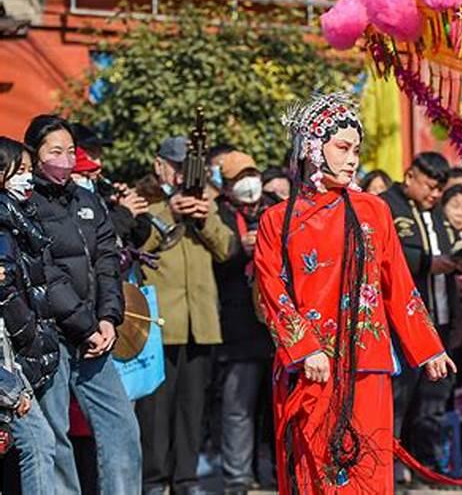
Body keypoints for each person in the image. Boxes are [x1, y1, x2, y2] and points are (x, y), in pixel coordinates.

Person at [254, 93, 455, 494]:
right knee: (316, 465)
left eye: (356, 150)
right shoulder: (278, 219)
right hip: (312, 365)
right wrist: (305, 348)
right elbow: (271, 290)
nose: (351, 159)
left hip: (368, 358)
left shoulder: (373, 211)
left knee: (368, 464)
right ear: (312, 148)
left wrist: (427, 347)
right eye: (342, 148)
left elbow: (397, 282)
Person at [24, 115, 141, 495]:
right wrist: (84, 325)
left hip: (96, 334)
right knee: (55, 435)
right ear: (35, 154)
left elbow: (107, 260)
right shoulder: (27, 205)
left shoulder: (87, 199)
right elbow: (45, 272)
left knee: (122, 427)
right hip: (51, 336)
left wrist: (108, 318)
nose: (65, 159)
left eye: (70, 151)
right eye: (55, 151)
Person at [136, 136, 235, 495]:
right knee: (156, 412)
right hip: (162, 321)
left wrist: (205, 217)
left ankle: (186, 479)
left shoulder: (205, 200)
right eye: (175, 166)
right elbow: (134, 246)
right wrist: (169, 214)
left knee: (192, 409)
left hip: (200, 321)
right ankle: (153, 479)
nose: (181, 174)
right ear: (159, 164)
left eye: (187, 167)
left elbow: (227, 249)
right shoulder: (143, 198)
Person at [380, 152, 462, 481]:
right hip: (401, 323)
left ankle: (427, 466)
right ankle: (389, 465)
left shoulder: (437, 212)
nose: (434, 195)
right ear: (410, 175)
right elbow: (392, 256)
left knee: (435, 396)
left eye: (439, 190)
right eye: (430, 187)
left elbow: (453, 244)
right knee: (399, 397)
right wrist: (430, 263)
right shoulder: (386, 205)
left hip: (441, 320)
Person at [212, 150, 276, 493]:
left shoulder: (277, 206)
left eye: (251, 173)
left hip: (277, 323)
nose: (248, 183)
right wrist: (240, 248)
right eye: (238, 178)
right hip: (237, 322)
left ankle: (283, 472)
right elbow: (214, 263)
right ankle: (237, 477)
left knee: (279, 406)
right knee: (239, 406)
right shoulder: (218, 214)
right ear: (226, 186)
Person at [0, 137, 61, 495]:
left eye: (28, 170)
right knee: (38, 440)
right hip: (10, 360)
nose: (27, 178)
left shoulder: (20, 220)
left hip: (16, 356)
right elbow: (8, 299)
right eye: (19, 171)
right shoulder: (6, 227)